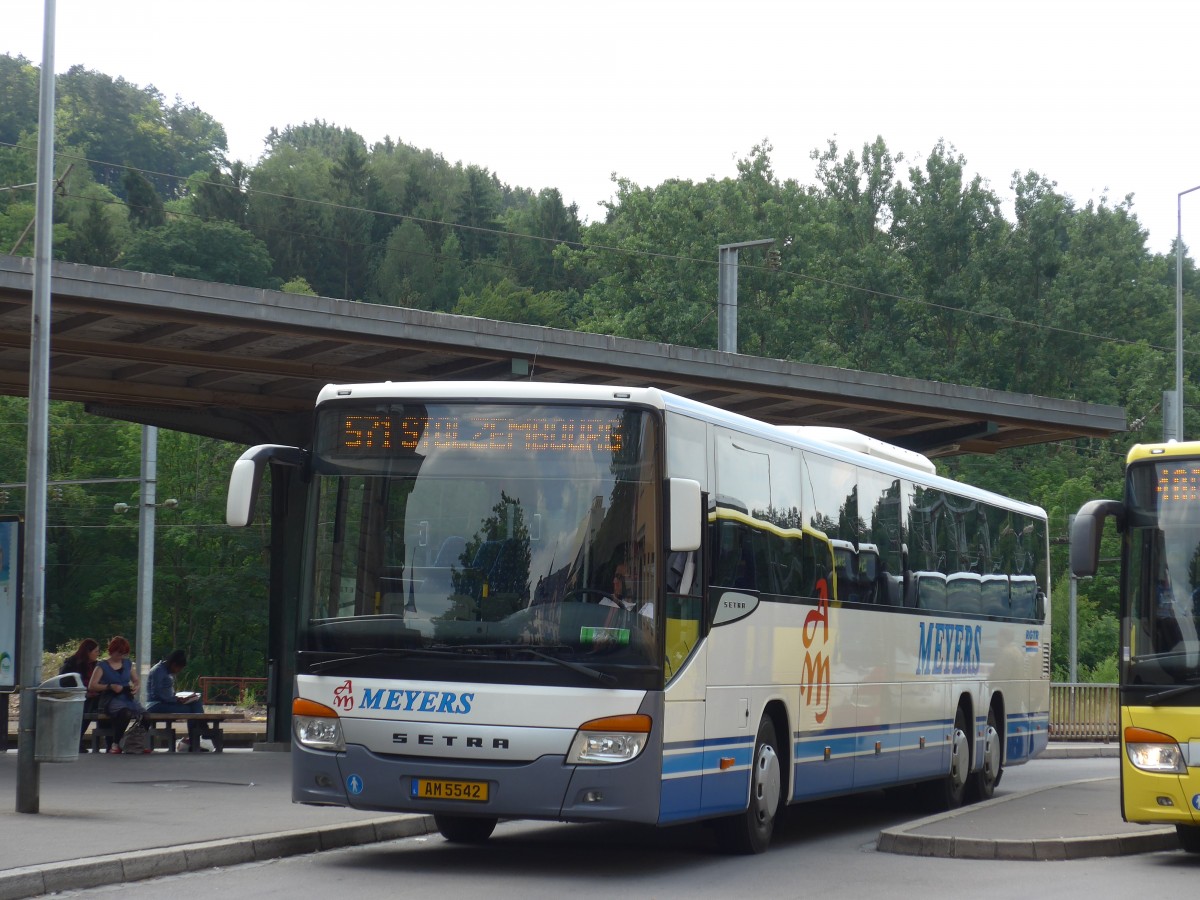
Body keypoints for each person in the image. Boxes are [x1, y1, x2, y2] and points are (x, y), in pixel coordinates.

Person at [88, 636, 147, 754]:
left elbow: (136, 680)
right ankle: (115, 743)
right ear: (112, 651)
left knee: (145, 716)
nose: (121, 656)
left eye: (123, 654)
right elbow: (92, 686)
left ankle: (135, 741)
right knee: (125, 713)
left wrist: (136, 686)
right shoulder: (102, 666)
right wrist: (110, 686)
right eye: (119, 653)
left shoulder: (127, 664)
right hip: (110, 698)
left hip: (127, 697)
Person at [146, 649, 213, 752]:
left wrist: (178, 698)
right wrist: (175, 700)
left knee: (195, 702)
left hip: (166, 703)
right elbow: (157, 693)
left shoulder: (166, 671)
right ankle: (202, 734)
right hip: (156, 705)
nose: (179, 671)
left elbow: (167, 693)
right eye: (179, 668)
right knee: (192, 710)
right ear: (174, 664)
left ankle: (199, 736)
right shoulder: (158, 671)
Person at [59, 638, 101, 748]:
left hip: (93, 696)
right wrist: (84, 692)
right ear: (88, 652)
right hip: (75, 697)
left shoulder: (96, 665)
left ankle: (77, 740)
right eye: (96, 651)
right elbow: (65, 682)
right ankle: (76, 740)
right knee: (87, 706)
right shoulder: (71, 664)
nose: (98, 654)